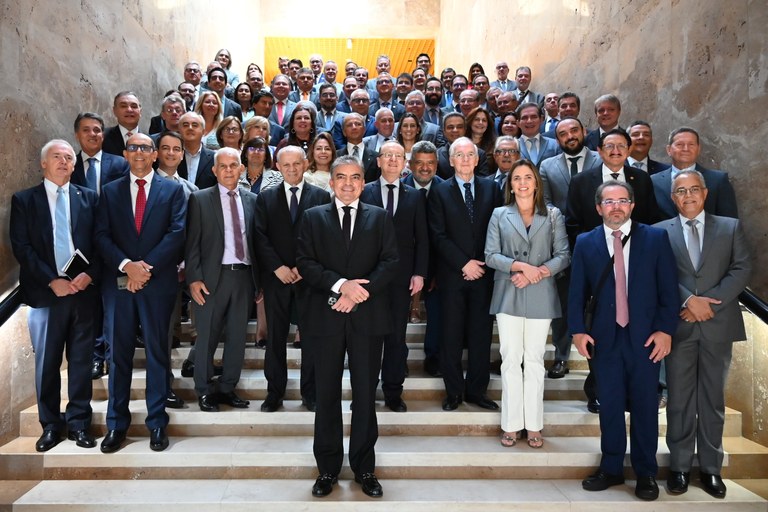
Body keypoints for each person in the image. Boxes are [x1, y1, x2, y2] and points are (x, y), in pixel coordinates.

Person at [568, 180, 679, 501]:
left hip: (646, 338)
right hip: (605, 339)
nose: (616, 206)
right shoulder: (586, 242)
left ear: (632, 205)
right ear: (598, 207)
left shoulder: (656, 239)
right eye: (609, 201)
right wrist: (577, 329)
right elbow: (576, 292)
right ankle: (612, 467)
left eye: (622, 201)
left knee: (645, 406)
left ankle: (646, 473)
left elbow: (668, 291)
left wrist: (665, 330)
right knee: (610, 406)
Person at [296, 156, 399, 499]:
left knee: (366, 396)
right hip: (325, 319)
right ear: (331, 182)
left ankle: (364, 468)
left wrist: (359, 294)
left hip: (368, 319)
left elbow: (390, 262)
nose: (348, 184)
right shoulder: (312, 218)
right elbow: (306, 263)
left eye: (355, 178)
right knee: (326, 395)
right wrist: (341, 285)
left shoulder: (380, 218)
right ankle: (327, 469)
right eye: (341, 177)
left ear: (363, 181)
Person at [654, 170, 750, 498]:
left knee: (712, 400)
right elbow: (659, 272)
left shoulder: (729, 227)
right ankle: (679, 467)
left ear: (705, 193)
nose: (688, 196)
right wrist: (688, 300)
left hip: (718, 325)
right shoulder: (658, 233)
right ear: (672, 197)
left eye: (694, 189)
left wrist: (711, 305)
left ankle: (711, 468)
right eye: (681, 191)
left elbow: (741, 268)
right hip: (679, 326)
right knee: (679, 400)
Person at [95, 133, 186, 454]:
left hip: (157, 284)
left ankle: (157, 422)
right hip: (118, 285)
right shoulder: (109, 192)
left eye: (145, 148)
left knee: (158, 354)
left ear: (154, 155)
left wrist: (144, 268)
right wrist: (126, 266)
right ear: (124, 153)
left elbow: (177, 233)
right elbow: (101, 234)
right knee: (117, 356)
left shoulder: (173, 191)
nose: (138, 152)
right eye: (133, 147)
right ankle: (116, 425)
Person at [10, 139, 101, 452]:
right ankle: (50, 425)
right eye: (56, 157)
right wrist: (52, 280)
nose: (64, 162)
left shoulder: (89, 198)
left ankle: (79, 423)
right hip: (46, 296)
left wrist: (90, 274)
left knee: (80, 362)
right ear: (43, 164)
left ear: (74, 165)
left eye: (68, 158)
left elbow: (100, 242)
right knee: (47, 364)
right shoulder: (25, 200)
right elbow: (22, 247)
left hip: (83, 293)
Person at [485, 159, 570, 449]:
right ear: (510, 184)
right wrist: (521, 267)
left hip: (540, 293)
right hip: (508, 291)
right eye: (517, 178)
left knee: (534, 360)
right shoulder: (499, 214)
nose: (522, 182)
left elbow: (563, 255)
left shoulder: (554, 215)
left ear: (536, 183)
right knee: (510, 359)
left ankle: (534, 425)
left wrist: (536, 273)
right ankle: (510, 425)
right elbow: (491, 255)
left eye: (528, 177)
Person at [254, 146, 331, 412]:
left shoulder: (321, 196)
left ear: (305, 163)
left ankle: (310, 393)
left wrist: (302, 267)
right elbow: (260, 237)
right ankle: (274, 392)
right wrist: (278, 267)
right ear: (277, 166)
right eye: (285, 165)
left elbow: (323, 237)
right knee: (275, 338)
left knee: (311, 338)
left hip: (309, 280)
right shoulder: (265, 198)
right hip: (277, 279)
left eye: (296, 164)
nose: (291, 169)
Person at [428, 137, 502, 411]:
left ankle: (477, 392)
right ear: (451, 160)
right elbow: (438, 234)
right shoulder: (439, 191)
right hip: (452, 276)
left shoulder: (492, 189)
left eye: (470, 154)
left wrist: (480, 262)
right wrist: (464, 263)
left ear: (477, 158)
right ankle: (454, 392)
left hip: (484, 274)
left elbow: (497, 230)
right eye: (459, 155)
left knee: (481, 336)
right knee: (451, 336)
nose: (465, 159)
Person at [185, 147, 259, 413]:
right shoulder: (200, 199)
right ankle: (204, 390)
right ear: (214, 170)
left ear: (241, 168)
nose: (229, 170)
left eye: (234, 165)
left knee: (238, 336)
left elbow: (257, 243)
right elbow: (191, 243)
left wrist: (258, 282)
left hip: (243, 277)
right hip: (212, 278)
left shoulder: (252, 199)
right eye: (223, 166)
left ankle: (228, 387)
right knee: (207, 336)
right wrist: (193, 278)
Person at [361, 141, 428, 412]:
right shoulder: (363, 191)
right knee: (366, 340)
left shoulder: (415, 196)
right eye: (387, 155)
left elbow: (422, 238)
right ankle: (364, 394)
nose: (392, 160)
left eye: (398, 156)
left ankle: (392, 393)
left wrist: (420, 273)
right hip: (368, 279)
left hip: (402, 279)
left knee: (396, 339)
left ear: (405, 164)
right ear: (378, 161)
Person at [539, 117, 602, 379]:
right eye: (563, 134)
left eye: (574, 130)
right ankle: (561, 356)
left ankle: (596, 367)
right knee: (566, 304)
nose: (570, 136)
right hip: (562, 244)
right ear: (558, 139)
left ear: (584, 132)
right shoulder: (547, 165)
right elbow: (545, 202)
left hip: (600, 243)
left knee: (599, 304)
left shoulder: (601, 161)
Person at [402, 141, 444, 374]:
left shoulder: (447, 189)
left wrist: (434, 271)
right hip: (404, 263)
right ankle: (398, 359)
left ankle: (434, 358)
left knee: (437, 314)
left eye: (430, 163)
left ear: (437, 165)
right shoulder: (398, 188)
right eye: (420, 163)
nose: (425, 168)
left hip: (438, 264)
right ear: (410, 164)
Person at [651, 127, 738, 220]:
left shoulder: (718, 180)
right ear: (669, 150)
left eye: (691, 144)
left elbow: (729, 223)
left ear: (698, 149)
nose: (686, 149)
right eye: (680, 144)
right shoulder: (653, 181)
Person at [176, 112, 217, 189]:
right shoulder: (172, 156)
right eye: (185, 125)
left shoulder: (214, 158)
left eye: (195, 125)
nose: (190, 128)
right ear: (179, 130)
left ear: (203, 131)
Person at [102, 91, 142, 156]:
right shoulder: (102, 137)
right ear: (114, 110)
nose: (129, 110)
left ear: (140, 111)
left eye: (134, 106)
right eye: (123, 106)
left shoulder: (150, 140)